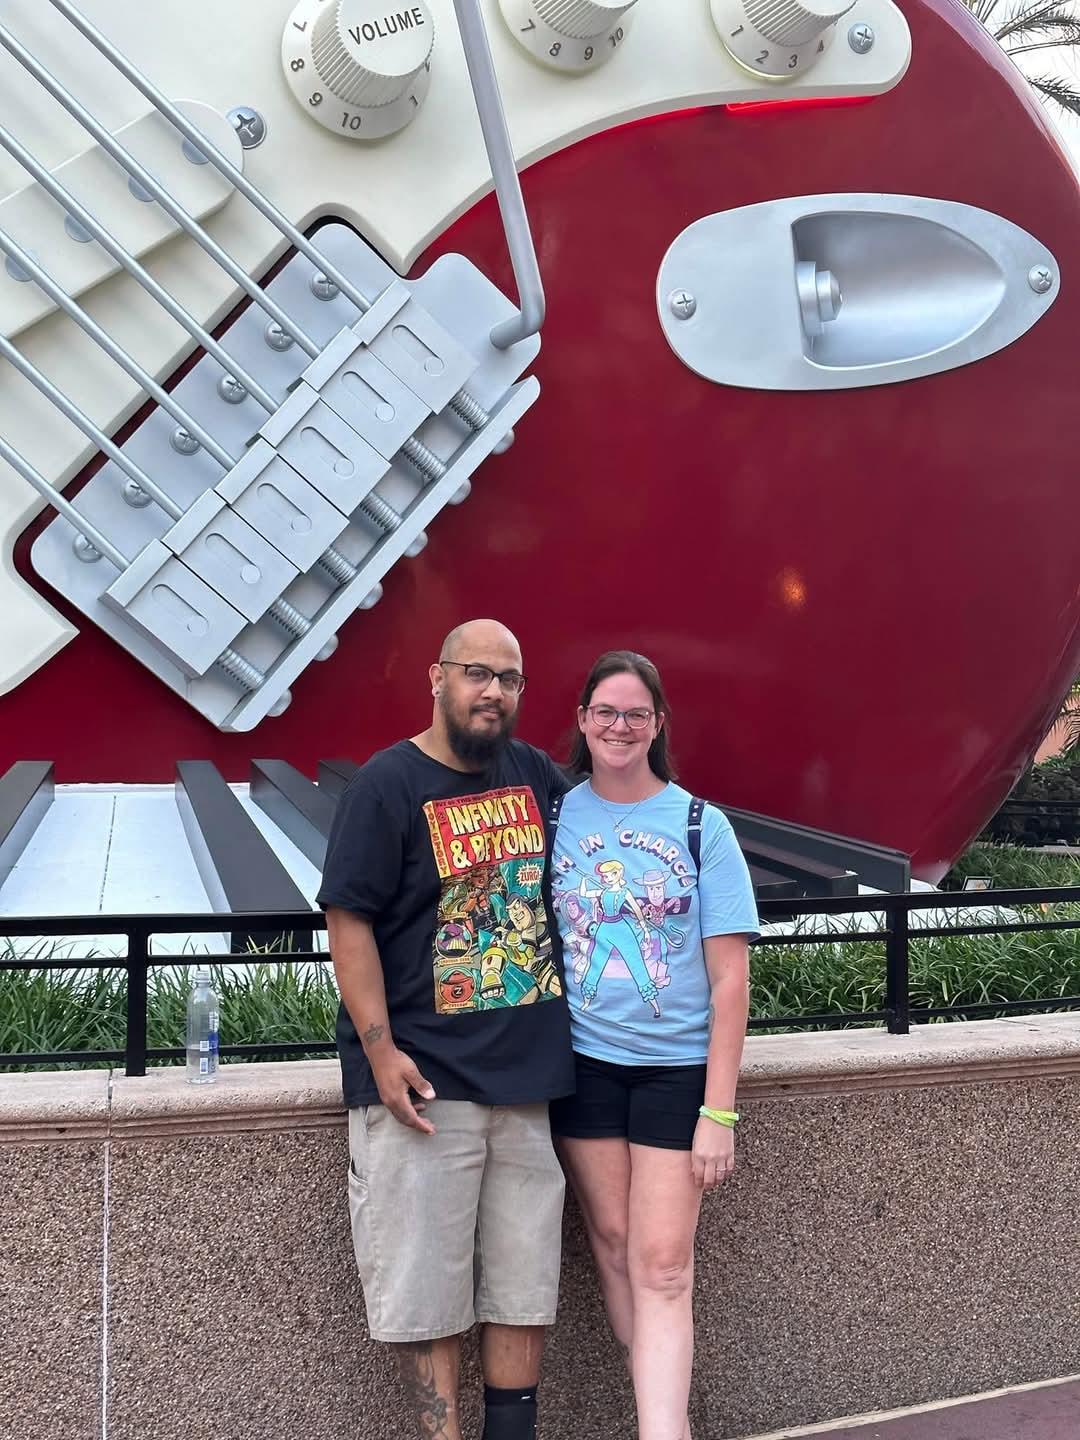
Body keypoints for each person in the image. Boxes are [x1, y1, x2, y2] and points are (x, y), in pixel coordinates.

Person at [318, 619, 573, 1440]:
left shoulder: (533, 773)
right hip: (426, 1084)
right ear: (437, 677)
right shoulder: (386, 786)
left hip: (528, 1083)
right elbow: (348, 920)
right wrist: (380, 1049)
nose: (493, 691)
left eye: (509, 677)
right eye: (476, 673)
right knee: (428, 1295)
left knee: (522, 1287)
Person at [548, 650, 758, 1440]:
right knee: (612, 1243)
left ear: (658, 725)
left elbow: (730, 982)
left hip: (676, 1073)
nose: (620, 727)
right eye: (606, 711)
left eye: (637, 714)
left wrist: (720, 1113)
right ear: (582, 720)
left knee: (664, 1264)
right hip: (584, 1066)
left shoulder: (703, 825)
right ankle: (659, 1410)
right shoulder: (559, 816)